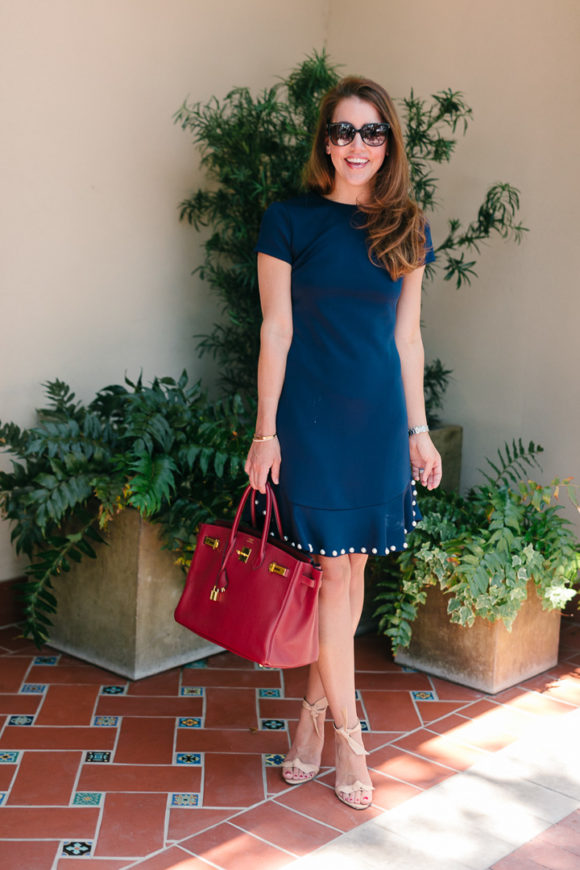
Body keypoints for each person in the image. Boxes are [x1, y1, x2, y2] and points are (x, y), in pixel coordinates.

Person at [244, 76, 442, 810]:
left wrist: (419, 430)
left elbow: (409, 337)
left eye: (371, 132)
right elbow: (276, 330)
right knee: (333, 573)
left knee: (350, 575)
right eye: (342, 131)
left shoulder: (408, 226)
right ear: (324, 139)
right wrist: (265, 432)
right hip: (313, 420)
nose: (355, 145)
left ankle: (311, 717)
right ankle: (351, 742)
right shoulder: (289, 219)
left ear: (389, 143)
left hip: (379, 421)